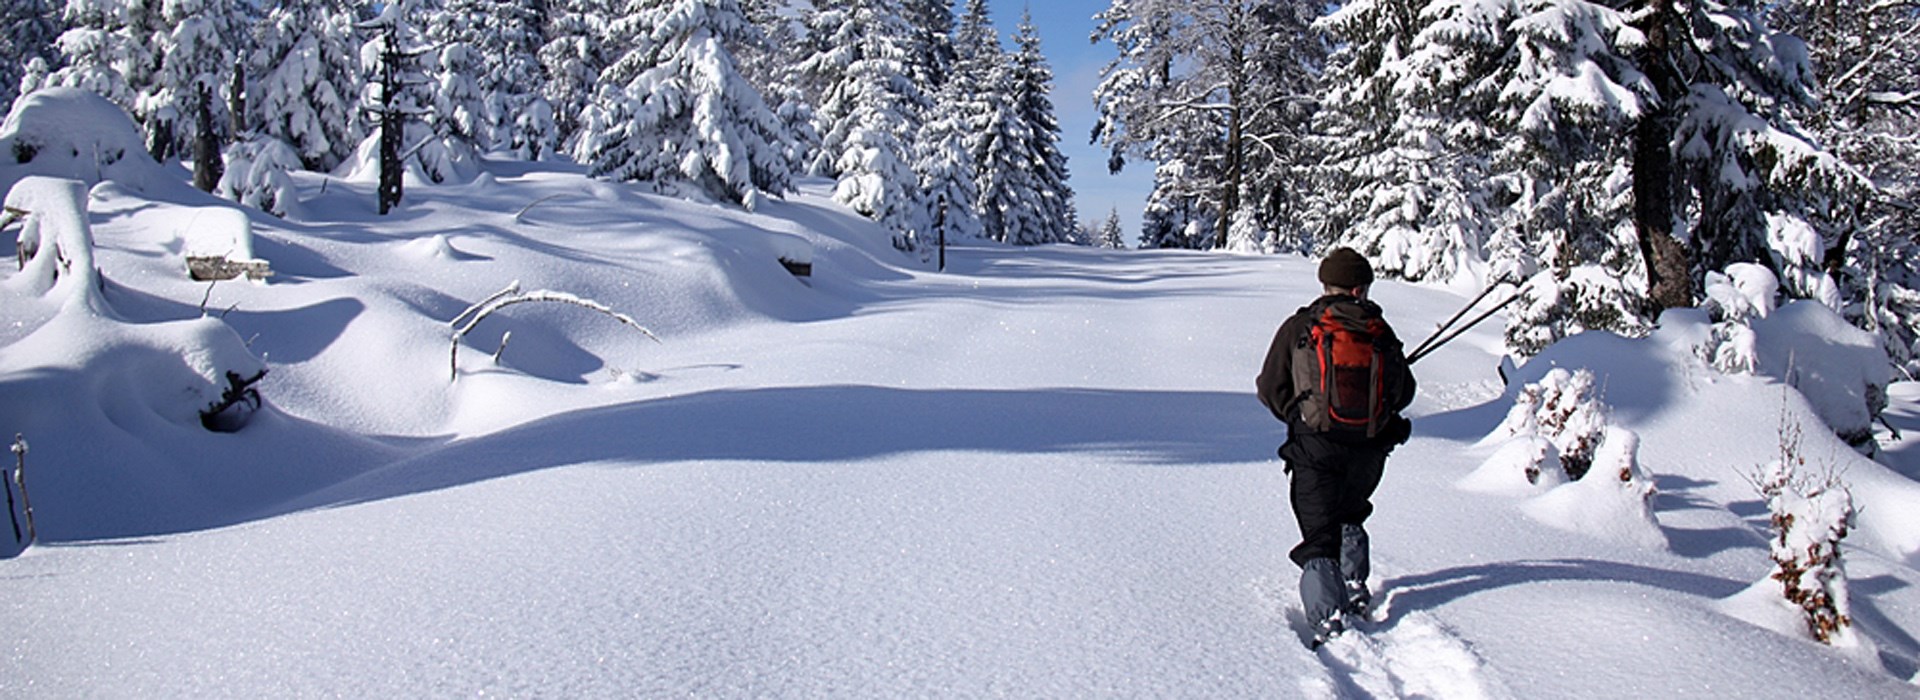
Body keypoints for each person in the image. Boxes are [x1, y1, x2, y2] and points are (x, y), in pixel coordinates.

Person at [1255, 247, 1415, 645]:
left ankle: (1328, 619)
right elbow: (1404, 392)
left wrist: (1301, 415)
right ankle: (1354, 588)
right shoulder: (1380, 331)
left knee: (1318, 534)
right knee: (1351, 514)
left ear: (1326, 284)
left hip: (1315, 448)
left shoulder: (1301, 327)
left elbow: (1270, 387)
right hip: (1369, 450)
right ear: (1361, 288)